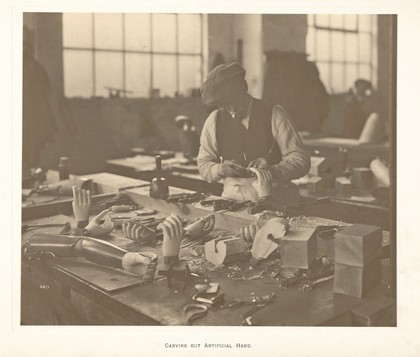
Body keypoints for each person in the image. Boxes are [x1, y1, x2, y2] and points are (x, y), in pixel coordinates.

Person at [197, 62, 310, 202]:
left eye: (233, 101)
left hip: (276, 197)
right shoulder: (215, 120)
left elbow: (301, 160)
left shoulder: (273, 113)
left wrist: (273, 170)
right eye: (224, 105)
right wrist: (220, 170)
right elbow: (203, 164)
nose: (230, 109)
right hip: (233, 198)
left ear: (243, 90)